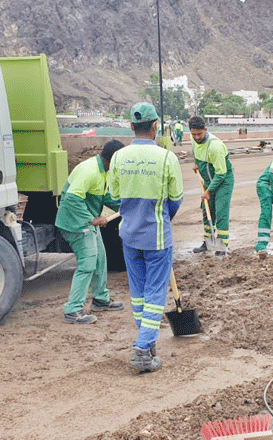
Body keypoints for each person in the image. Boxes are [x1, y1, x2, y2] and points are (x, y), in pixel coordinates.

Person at [108, 102, 184, 373]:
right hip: (158, 238)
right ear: (155, 127)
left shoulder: (118, 157)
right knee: (154, 295)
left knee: (138, 295)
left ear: (131, 126)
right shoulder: (167, 158)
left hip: (129, 236)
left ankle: (147, 342)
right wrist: (162, 217)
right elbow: (176, 200)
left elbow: (114, 196)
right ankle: (142, 349)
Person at [55, 139, 126, 324]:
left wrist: (127, 206)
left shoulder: (103, 171)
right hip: (76, 224)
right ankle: (73, 311)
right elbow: (71, 199)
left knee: (100, 259)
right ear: (112, 160)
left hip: (87, 224)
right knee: (88, 264)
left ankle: (100, 300)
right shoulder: (89, 170)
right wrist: (91, 219)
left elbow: (105, 197)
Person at [189, 116, 233, 255]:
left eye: (199, 134)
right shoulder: (193, 139)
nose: (196, 137)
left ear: (205, 130)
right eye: (193, 134)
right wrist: (196, 163)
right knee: (207, 210)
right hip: (208, 180)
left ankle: (221, 246)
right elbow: (195, 151)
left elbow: (221, 174)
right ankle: (208, 242)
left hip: (223, 180)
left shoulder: (215, 147)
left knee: (220, 213)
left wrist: (208, 191)